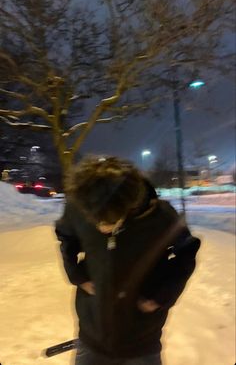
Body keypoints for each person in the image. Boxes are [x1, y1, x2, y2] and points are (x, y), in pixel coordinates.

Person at [55, 156, 201, 365]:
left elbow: (187, 252)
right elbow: (65, 235)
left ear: (131, 205)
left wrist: (161, 295)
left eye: (109, 220)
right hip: (92, 334)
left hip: (142, 339)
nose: (101, 227)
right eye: (94, 220)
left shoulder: (160, 215)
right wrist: (76, 274)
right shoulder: (78, 206)